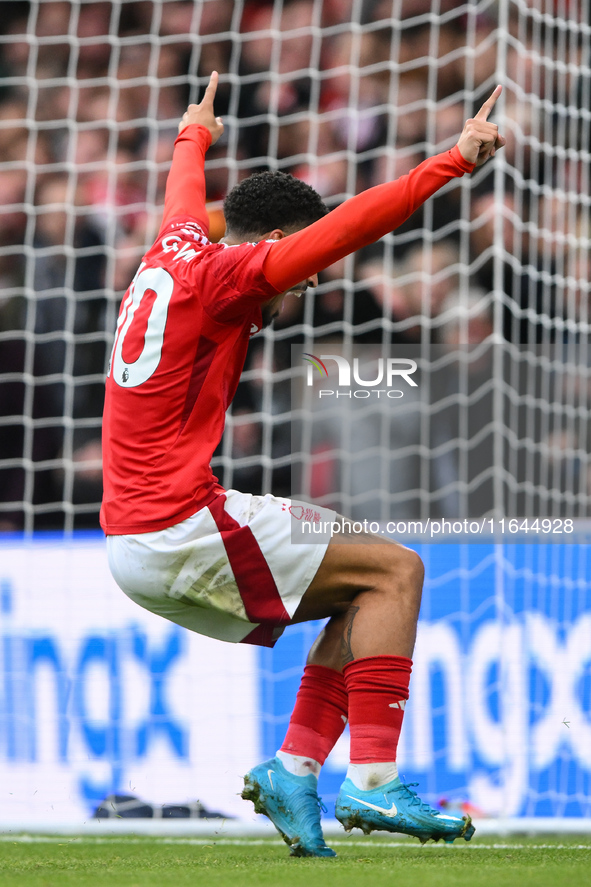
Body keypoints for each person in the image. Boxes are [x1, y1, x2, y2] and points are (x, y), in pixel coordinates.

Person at [100, 72, 505, 856]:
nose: (308, 280)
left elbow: (183, 194)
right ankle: (376, 783)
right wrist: (450, 161)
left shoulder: (175, 246)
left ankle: (293, 769)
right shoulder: (227, 277)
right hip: (180, 526)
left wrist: (195, 134)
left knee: (360, 586)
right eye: (301, 259)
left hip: (137, 534)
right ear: (278, 241)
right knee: (398, 572)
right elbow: (350, 227)